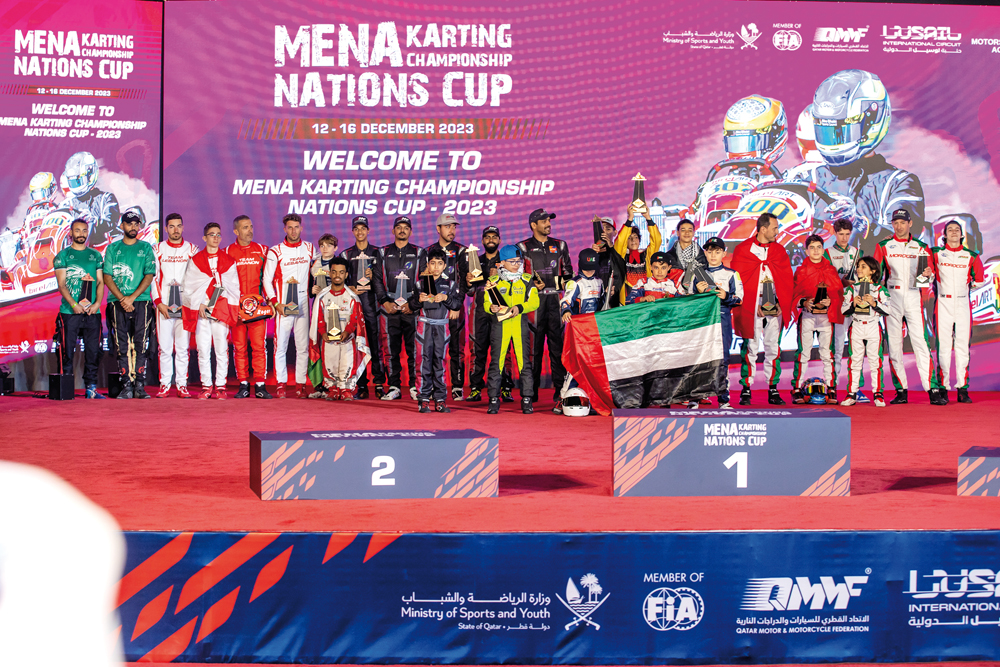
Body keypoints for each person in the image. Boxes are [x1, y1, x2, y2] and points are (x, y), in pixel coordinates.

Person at [874, 209, 945, 405]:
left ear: (910, 223)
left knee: (921, 342)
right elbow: (876, 276)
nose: (899, 226)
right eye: (895, 222)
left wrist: (929, 274)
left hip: (914, 296)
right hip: (892, 297)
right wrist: (880, 299)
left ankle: (932, 389)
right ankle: (901, 390)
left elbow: (928, 276)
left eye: (902, 222)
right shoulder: (884, 245)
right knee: (894, 345)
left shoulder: (921, 247)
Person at [731, 212, 795, 405]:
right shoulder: (743, 250)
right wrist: (754, 304)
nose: (778, 231)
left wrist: (777, 303)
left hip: (774, 308)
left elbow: (785, 281)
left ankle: (773, 388)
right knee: (750, 348)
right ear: (763, 229)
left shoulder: (779, 251)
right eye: (775, 228)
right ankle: (746, 388)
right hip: (751, 307)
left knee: (773, 348)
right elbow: (738, 282)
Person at [517, 208, 572, 407]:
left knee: (557, 349)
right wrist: (531, 284)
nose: (548, 223)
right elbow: (516, 275)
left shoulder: (560, 245)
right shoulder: (522, 247)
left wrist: (558, 285)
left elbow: (568, 274)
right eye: (544, 221)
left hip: (555, 301)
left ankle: (561, 390)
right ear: (533, 225)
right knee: (533, 351)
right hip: (533, 303)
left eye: (549, 220)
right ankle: (530, 394)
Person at [182, 222, 240, 399]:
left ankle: (221, 386)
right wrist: (199, 303)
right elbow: (189, 286)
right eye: (212, 234)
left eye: (218, 235)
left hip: (221, 310)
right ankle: (206, 385)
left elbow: (233, 287)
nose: (215, 238)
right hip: (201, 311)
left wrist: (217, 305)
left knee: (221, 349)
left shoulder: (229, 261)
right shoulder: (196, 260)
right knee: (203, 349)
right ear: (204, 237)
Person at [103, 211, 156, 399]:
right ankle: (126, 384)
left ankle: (139, 385)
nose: (133, 227)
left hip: (141, 301)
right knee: (121, 345)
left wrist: (132, 298)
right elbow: (107, 276)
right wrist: (122, 298)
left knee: (141, 344)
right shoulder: (113, 248)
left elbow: (149, 275)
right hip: (117, 303)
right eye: (129, 223)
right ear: (122, 226)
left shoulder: (146, 248)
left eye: (136, 223)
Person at [932, 220, 985, 403]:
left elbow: (979, 279)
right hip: (943, 304)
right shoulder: (936, 254)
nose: (954, 232)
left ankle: (962, 389)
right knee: (944, 349)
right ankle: (944, 388)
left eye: (957, 230)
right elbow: (921, 259)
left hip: (963, 305)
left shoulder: (971, 256)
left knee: (963, 348)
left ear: (962, 234)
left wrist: (972, 284)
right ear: (944, 234)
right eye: (950, 230)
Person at [686, 238, 743, 409]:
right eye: (710, 251)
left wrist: (726, 296)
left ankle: (723, 399)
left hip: (722, 320)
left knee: (722, 359)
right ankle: (694, 398)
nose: (713, 255)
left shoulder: (732, 274)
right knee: (699, 358)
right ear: (705, 253)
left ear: (724, 253)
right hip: (702, 322)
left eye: (717, 251)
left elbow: (740, 299)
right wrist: (698, 291)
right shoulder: (697, 274)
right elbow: (688, 301)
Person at [374, 215, 425, 401]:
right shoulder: (382, 252)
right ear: (393, 230)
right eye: (399, 227)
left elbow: (424, 280)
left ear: (410, 231)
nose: (402, 230)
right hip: (389, 309)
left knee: (414, 350)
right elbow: (377, 279)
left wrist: (413, 305)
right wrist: (384, 301)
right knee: (390, 349)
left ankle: (414, 386)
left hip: (411, 309)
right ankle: (394, 386)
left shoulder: (420, 253)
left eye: (406, 227)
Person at [264, 213, 316, 398]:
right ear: (284, 229)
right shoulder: (275, 251)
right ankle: (281, 384)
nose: (293, 231)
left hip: (302, 302)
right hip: (284, 305)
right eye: (290, 227)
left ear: (301, 228)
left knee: (302, 346)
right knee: (281, 346)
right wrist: (275, 303)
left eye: (297, 227)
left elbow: (318, 271)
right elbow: (266, 280)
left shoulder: (309, 248)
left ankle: (300, 384)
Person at [53, 218, 105, 399]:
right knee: (67, 351)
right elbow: (61, 285)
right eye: (77, 231)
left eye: (84, 230)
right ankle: (66, 387)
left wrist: (97, 304)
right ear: (71, 233)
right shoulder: (63, 256)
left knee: (93, 351)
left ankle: (91, 388)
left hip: (92, 313)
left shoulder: (96, 256)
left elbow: (100, 282)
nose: (81, 234)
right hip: (69, 312)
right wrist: (74, 305)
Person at [484, 245, 540, 414]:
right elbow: (486, 303)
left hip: (519, 325)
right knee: (497, 362)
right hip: (500, 326)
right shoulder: (493, 281)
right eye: (512, 261)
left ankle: (527, 399)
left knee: (524, 362)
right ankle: (493, 399)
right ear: (502, 263)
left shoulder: (527, 279)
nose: (516, 264)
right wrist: (491, 308)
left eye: (518, 261)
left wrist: (520, 307)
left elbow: (535, 302)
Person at [790, 234, 844, 404]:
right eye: (811, 247)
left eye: (818, 247)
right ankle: (797, 388)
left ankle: (831, 386)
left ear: (823, 249)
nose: (815, 251)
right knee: (804, 353)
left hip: (825, 318)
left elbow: (839, 294)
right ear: (806, 250)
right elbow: (794, 294)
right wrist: (804, 302)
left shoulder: (830, 270)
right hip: (807, 317)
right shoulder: (800, 271)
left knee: (826, 354)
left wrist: (831, 301)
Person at [410, 247, 464, 412]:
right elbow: (411, 306)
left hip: (442, 326)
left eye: (439, 263)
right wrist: (419, 300)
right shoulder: (420, 283)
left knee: (440, 362)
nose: (435, 267)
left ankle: (440, 399)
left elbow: (456, 305)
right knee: (423, 362)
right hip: (424, 325)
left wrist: (446, 298)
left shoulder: (450, 284)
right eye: (432, 263)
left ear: (444, 266)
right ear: (428, 264)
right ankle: (424, 399)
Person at [308, 257, 370, 400]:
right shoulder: (322, 296)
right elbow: (319, 318)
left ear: (346, 275)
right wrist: (323, 333)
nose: (337, 275)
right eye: (334, 272)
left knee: (346, 362)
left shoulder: (352, 296)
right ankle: (332, 388)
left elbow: (355, 318)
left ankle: (346, 389)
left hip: (347, 339)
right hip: (328, 339)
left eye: (341, 272)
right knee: (330, 361)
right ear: (329, 273)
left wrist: (348, 331)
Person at [151, 213, 198, 397]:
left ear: (183, 227)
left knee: (182, 347)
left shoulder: (192, 249)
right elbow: (153, 278)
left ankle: (181, 384)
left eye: (179, 226)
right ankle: (164, 384)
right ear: (166, 229)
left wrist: (188, 302)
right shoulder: (157, 249)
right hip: (164, 307)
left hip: (184, 306)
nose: (176, 230)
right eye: (172, 226)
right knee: (164, 347)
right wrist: (158, 303)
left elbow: (196, 278)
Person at [339, 216, 386, 399]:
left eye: (363, 228)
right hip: (355, 308)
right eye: (356, 229)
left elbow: (384, 280)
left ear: (368, 230)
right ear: (353, 232)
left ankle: (380, 384)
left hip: (373, 306)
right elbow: (339, 279)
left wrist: (373, 275)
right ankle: (362, 385)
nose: (360, 232)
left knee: (375, 346)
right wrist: (348, 288)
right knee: (358, 346)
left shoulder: (377, 253)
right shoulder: (345, 255)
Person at [226, 214, 272, 399]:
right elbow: (223, 282)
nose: (250, 230)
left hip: (257, 309)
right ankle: (243, 384)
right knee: (239, 347)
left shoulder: (263, 250)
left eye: (251, 226)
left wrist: (270, 302)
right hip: (236, 310)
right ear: (236, 231)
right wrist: (230, 307)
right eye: (245, 227)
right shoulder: (227, 251)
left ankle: (260, 384)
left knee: (259, 347)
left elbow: (269, 279)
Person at [467, 226, 514, 403]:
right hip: (480, 310)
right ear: (482, 241)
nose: (491, 240)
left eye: (494, 237)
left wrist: (500, 277)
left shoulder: (506, 262)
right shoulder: (475, 261)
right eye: (487, 237)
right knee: (477, 350)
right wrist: (469, 281)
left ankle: (505, 387)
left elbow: (514, 287)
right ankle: (475, 388)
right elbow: (470, 292)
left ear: (499, 241)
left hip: (500, 311)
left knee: (503, 350)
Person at [427, 213, 469, 401]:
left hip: (454, 307)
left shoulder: (462, 251)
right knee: (431, 347)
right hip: (433, 309)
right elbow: (424, 278)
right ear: (438, 229)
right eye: (447, 226)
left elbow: (465, 281)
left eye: (454, 227)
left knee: (456, 348)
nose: (451, 230)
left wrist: (456, 305)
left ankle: (457, 385)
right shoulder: (429, 251)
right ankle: (432, 386)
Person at [558, 248, 605, 412]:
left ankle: (593, 401)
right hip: (577, 331)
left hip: (594, 330)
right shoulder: (575, 282)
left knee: (594, 367)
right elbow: (565, 300)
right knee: (575, 366)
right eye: (587, 265)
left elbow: (603, 304)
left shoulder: (600, 282)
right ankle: (562, 399)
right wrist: (566, 311)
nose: (590, 269)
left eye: (592, 265)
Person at [839, 257, 889, 407]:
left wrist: (874, 302)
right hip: (857, 326)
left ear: (873, 271)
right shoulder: (851, 289)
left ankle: (878, 394)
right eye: (858, 266)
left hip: (874, 326)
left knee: (875, 361)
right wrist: (853, 303)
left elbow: (888, 310)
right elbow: (843, 311)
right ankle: (852, 393)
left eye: (863, 267)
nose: (859, 269)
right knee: (855, 361)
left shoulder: (880, 289)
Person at [823, 218, 861, 392]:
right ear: (835, 233)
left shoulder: (856, 251)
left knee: (857, 347)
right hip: (838, 304)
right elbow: (826, 280)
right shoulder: (827, 252)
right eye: (841, 234)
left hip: (855, 304)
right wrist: (843, 283)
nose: (844, 238)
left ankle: (855, 387)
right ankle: (834, 384)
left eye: (847, 234)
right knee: (837, 347)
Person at [612, 204, 662, 305]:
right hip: (625, 300)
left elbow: (656, 240)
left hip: (646, 298)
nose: (633, 240)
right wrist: (630, 219)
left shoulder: (646, 255)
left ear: (639, 240)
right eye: (629, 238)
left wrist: (648, 218)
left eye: (635, 237)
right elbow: (620, 241)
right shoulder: (621, 255)